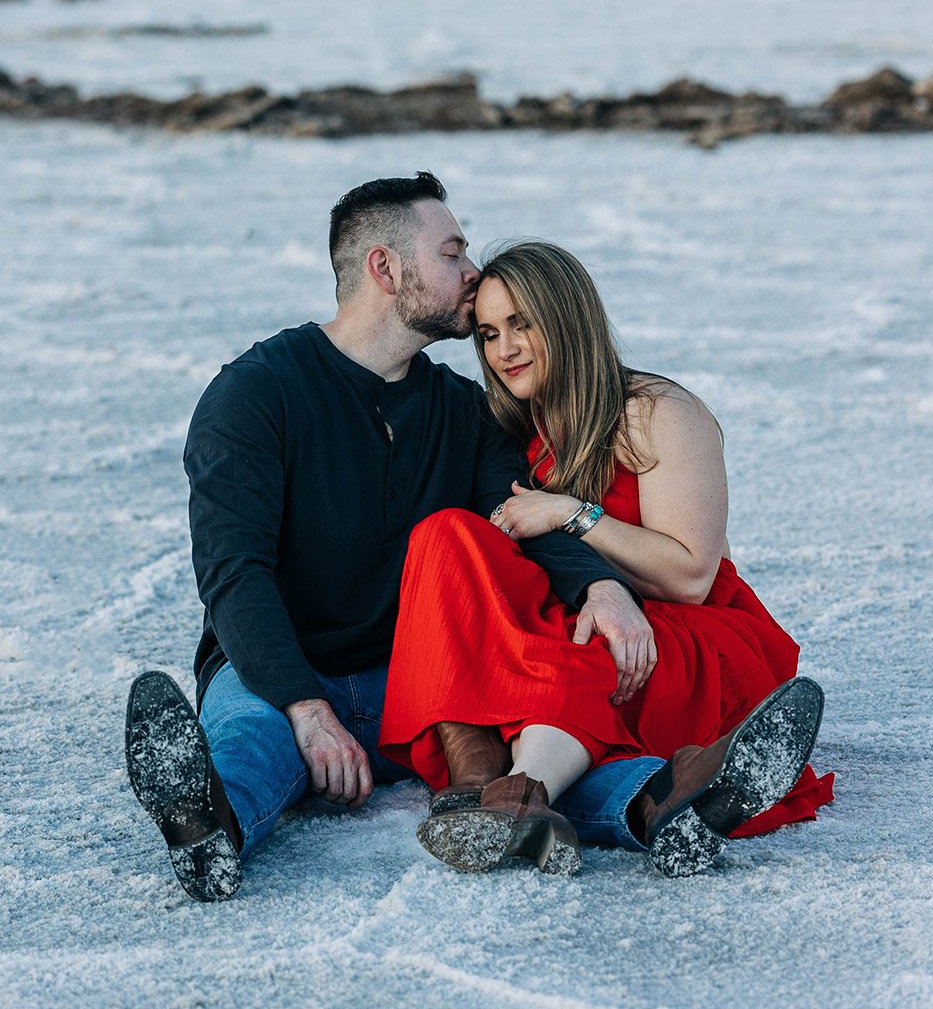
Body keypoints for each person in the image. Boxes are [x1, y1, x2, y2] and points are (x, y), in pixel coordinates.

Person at [123, 173, 651, 899]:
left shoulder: (460, 410)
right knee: (250, 746)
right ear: (385, 268)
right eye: (452, 254)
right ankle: (206, 828)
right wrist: (308, 711)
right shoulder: (256, 394)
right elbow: (232, 572)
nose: (473, 275)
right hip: (279, 671)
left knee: (527, 766)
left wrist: (601, 585)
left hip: (421, 681)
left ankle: (663, 802)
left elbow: (521, 518)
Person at [378, 240, 834, 877]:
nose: (503, 348)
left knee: (574, 643)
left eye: (522, 324)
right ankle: (636, 794)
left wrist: (570, 512)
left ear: (567, 318)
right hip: (592, 635)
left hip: (681, 638)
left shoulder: (655, 412)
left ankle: (521, 792)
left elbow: (690, 576)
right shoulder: (512, 431)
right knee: (449, 541)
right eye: (487, 333)